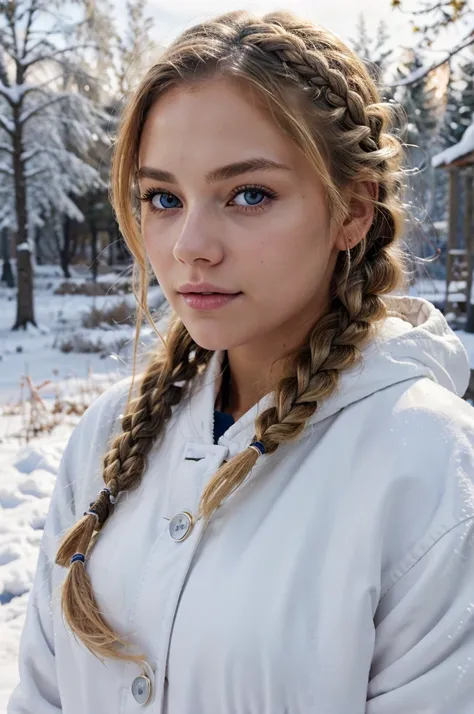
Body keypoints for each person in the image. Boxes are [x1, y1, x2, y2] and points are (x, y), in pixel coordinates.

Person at [8, 10, 474, 714]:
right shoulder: (107, 436)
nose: (190, 244)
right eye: (162, 198)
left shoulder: (432, 468)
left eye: (248, 194)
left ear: (352, 210)